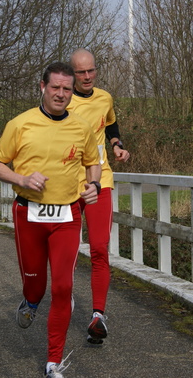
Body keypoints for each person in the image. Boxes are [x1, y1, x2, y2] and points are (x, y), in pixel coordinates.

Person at [0, 61, 102, 378]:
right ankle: (31, 302)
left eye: (67, 88)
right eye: (56, 88)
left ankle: (53, 362)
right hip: (29, 214)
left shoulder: (81, 128)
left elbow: (94, 164)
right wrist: (21, 179)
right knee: (36, 286)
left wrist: (93, 186)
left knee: (63, 287)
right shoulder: (20, 124)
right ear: (42, 87)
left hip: (67, 216)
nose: (62, 94)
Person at [66, 48, 131, 344]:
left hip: (100, 181)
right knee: (65, 251)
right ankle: (62, 301)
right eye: (81, 72)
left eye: (91, 70)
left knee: (100, 248)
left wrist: (116, 144)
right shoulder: (63, 99)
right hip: (68, 185)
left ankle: (98, 316)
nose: (88, 76)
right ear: (72, 74)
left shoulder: (105, 98)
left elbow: (110, 125)